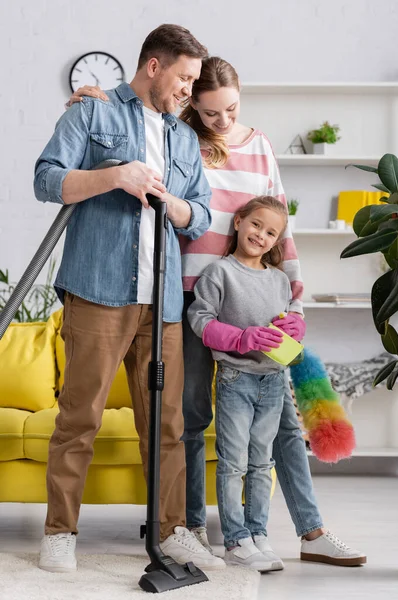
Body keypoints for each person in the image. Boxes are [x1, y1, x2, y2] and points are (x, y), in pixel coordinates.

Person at [67, 56, 366, 567]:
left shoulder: (262, 146)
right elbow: (138, 103)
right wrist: (95, 96)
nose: (222, 121)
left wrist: (292, 295)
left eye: (230, 108)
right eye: (208, 113)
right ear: (192, 107)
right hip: (189, 298)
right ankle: (189, 529)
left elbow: (280, 224)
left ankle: (311, 531)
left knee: (287, 421)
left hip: (264, 302)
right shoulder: (175, 140)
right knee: (190, 416)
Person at [33, 24, 227, 574]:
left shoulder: (183, 139)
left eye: (193, 80)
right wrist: (115, 175)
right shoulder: (91, 116)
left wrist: (178, 205)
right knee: (79, 418)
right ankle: (59, 533)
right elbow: (46, 180)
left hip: (162, 303)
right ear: (153, 67)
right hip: (98, 291)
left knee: (166, 427)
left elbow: (203, 214)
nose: (189, 89)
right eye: (184, 77)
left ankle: (171, 531)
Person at [188, 195, 293, 570]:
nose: (261, 236)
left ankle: (257, 533)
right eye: (256, 225)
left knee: (262, 463)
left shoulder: (280, 280)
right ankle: (235, 541)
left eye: (271, 233)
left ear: (277, 241)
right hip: (235, 379)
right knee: (233, 463)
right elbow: (200, 320)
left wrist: (296, 325)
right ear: (238, 222)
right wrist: (240, 339)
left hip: (273, 380)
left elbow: (289, 318)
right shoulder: (220, 273)